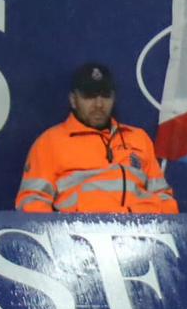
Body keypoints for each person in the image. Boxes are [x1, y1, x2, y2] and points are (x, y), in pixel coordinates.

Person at [16, 62, 177, 214]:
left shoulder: (138, 138)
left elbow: (165, 198)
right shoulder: (50, 142)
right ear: (73, 100)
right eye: (89, 95)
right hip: (79, 238)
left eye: (105, 95)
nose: (99, 104)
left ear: (114, 98)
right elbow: (31, 203)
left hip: (140, 236)